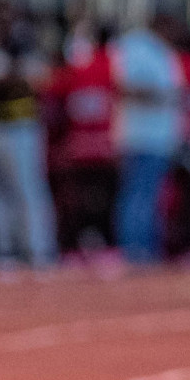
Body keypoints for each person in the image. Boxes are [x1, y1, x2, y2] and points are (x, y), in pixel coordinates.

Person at [0, 1, 57, 267]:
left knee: (27, 189)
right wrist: (10, 76)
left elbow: (38, 79)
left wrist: (9, 75)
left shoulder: (29, 46)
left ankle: (37, 249)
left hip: (20, 129)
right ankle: (2, 248)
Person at [112, 14, 186, 262]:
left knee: (151, 198)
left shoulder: (160, 50)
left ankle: (147, 250)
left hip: (159, 137)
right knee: (138, 197)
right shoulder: (136, 46)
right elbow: (126, 88)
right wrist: (163, 96)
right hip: (141, 137)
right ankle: (135, 250)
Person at [44, 21, 120, 260]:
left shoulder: (79, 68)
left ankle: (81, 244)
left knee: (84, 199)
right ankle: (96, 243)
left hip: (83, 147)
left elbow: (52, 97)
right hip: (100, 147)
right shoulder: (112, 66)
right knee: (100, 198)